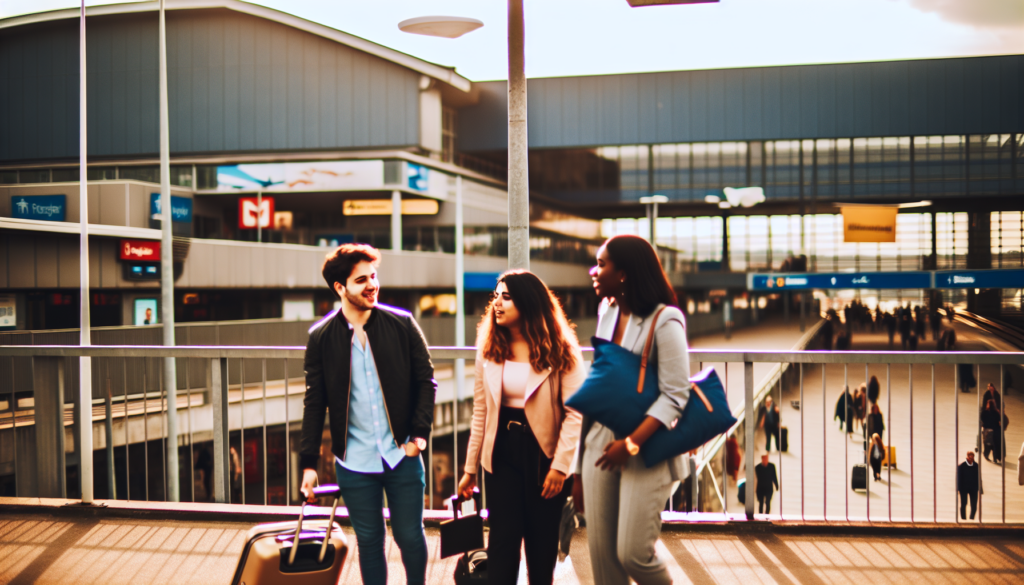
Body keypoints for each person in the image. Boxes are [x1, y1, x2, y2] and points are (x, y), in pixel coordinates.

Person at [298, 243, 437, 585]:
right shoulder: (321, 338)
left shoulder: (402, 324)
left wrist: (418, 437)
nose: (372, 284)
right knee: (370, 542)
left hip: (402, 454)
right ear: (340, 288)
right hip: (354, 462)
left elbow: (426, 380)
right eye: (362, 280)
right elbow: (315, 403)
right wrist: (308, 464)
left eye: (374, 276)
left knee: (409, 535)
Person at [572, 234, 689, 585]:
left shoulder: (666, 319)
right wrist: (578, 469)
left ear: (623, 273)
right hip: (599, 445)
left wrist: (631, 444)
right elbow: (599, 387)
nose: (593, 271)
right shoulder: (606, 313)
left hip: (646, 447)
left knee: (633, 554)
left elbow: (675, 396)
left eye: (602, 264)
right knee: (605, 566)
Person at [458, 270, 587, 585]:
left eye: (507, 297)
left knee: (541, 547)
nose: (497, 304)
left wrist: (560, 467)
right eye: (496, 296)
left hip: (543, 455)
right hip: (501, 452)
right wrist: (470, 468)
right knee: (502, 542)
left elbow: (576, 413)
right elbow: (481, 411)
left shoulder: (562, 350)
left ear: (528, 303)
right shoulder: (489, 348)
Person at [980, 399, 1008, 464]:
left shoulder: (984, 412)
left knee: (987, 443)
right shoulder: (996, 412)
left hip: (986, 430)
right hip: (994, 430)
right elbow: (999, 421)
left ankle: (986, 454)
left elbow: (982, 420)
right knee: (994, 444)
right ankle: (995, 457)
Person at [957, 451, 979, 520]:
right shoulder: (961, 466)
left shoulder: (976, 466)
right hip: (964, 488)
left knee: (974, 505)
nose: (971, 459)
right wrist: (958, 488)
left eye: (972, 457)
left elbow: (979, 477)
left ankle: (971, 518)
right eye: (970, 457)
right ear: (967, 457)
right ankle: (963, 518)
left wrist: (980, 488)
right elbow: (958, 478)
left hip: (974, 488)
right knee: (964, 504)